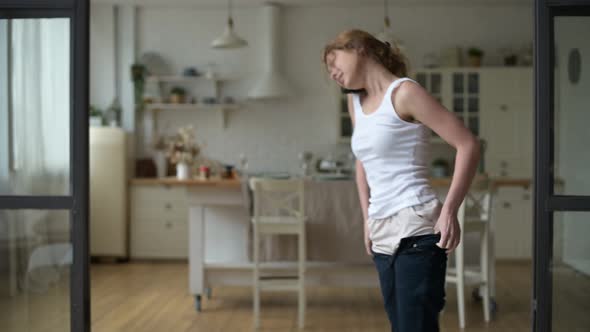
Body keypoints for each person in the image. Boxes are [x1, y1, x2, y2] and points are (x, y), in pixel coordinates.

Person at [322, 29, 481, 332]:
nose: (332, 73)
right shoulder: (354, 103)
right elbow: (362, 162)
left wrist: (449, 210)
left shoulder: (405, 93)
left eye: (333, 61)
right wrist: (367, 218)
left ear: (358, 48)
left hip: (417, 226)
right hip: (381, 229)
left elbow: (468, 145)